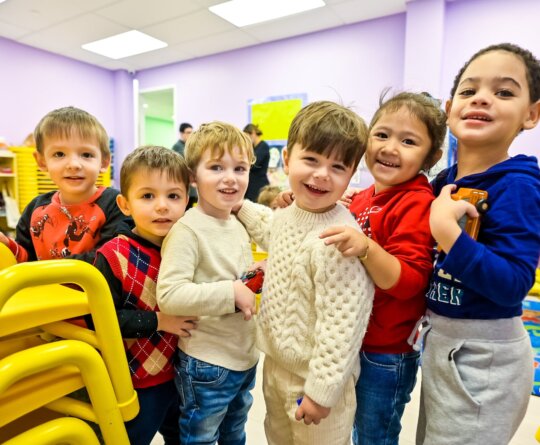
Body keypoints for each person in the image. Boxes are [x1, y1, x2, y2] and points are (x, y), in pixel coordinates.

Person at [417, 43, 540, 444]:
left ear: (532, 113)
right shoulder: (443, 182)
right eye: (469, 91)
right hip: (441, 344)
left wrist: (449, 235)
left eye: (504, 92)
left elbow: (512, 285)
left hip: (484, 356)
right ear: (451, 108)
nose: (482, 98)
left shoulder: (518, 185)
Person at [236, 101, 374, 445]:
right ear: (286, 160)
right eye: (311, 159)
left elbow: (342, 324)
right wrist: (238, 206)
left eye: (337, 166)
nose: (322, 174)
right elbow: (273, 230)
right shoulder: (287, 213)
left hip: (316, 379)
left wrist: (322, 392)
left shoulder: (338, 238)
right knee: (277, 435)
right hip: (276, 365)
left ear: (351, 173)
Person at [319, 92, 446, 445]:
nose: (391, 147)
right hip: (351, 340)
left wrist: (367, 248)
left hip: (386, 352)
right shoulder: (361, 197)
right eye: (382, 134)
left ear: (431, 156)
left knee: (374, 434)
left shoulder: (417, 202)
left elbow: (408, 282)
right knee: (348, 424)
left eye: (408, 141)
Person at [157, 122, 258, 445]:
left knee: (234, 431)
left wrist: (251, 275)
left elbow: (228, 274)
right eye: (216, 167)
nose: (230, 177)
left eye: (239, 168)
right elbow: (171, 294)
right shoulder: (188, 230)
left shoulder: (235, 220)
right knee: (200, 437)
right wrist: (231, 292)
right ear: (192, 176)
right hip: (207, 363)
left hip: (243, 355)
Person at [92, 146, 198, 445]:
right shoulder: (114, 255)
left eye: (173, 196)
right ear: (125, 204)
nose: (162, 206)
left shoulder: (188, 248)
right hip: (137, 382)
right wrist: (159, 320)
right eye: (148, 196)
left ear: (187, 202)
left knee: (182, 437)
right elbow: (101, 321)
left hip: (183, 374)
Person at [0, 106, 128, 262]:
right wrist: (9, 246)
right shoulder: (35, 209)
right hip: (42, 286)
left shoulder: (116, 204)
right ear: (41, 161)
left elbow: (108, 260)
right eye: (59, 154)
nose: (74, 164)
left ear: (104, 161)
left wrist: (47, 270)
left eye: (86, 154)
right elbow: (26, 260)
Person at [172, 122, 198, 209]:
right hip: (185, 186)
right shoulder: (177, 148)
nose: (190, 135)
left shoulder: (190, 147)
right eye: (188, 132)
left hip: (193, 188)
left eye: (192, 132)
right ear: (181, 134)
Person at [243, 123, 270, 201]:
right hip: (251, 185)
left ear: (253, 133)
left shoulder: (263, 146)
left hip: (259, 185)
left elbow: (254, 163)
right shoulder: (252, 147)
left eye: (247, 135)